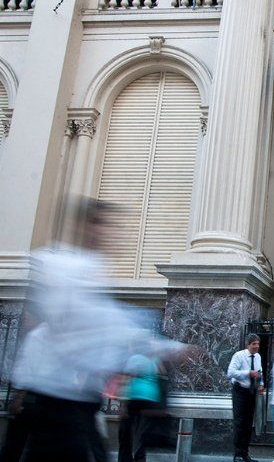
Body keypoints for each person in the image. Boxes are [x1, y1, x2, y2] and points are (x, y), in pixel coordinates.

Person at [10, 197, 184, 462]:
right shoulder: (59, 266)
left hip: (81, 403)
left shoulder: (92, 271)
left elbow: (106, 322)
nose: (107, 232)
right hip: (56, 400)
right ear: (79, 226)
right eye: (98, 223)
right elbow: (95, 321)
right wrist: (163, 346)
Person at [227, 333, 264, 462]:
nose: (257, 346)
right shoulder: (239, 356)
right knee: (240, 423)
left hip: (251, 392)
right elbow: (230, 372)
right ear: (248, 345)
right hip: (240, 391)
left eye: (258, 344)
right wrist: (248, 373)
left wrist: (261, 383)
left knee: (248, 424)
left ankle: (245, 454)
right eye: (254, 344)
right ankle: (237, 455)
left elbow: (259, 372)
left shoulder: (258, 356)